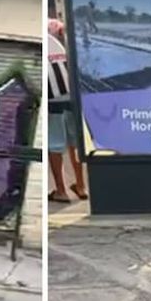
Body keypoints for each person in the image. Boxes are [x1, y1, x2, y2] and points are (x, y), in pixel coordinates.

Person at [48, 15, 87, 204]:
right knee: (74, 142)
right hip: (71, 95)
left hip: (53, 99)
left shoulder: (44, 29)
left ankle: (61, 191)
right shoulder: (58, 35)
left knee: (54, 144)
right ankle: (81, 185)